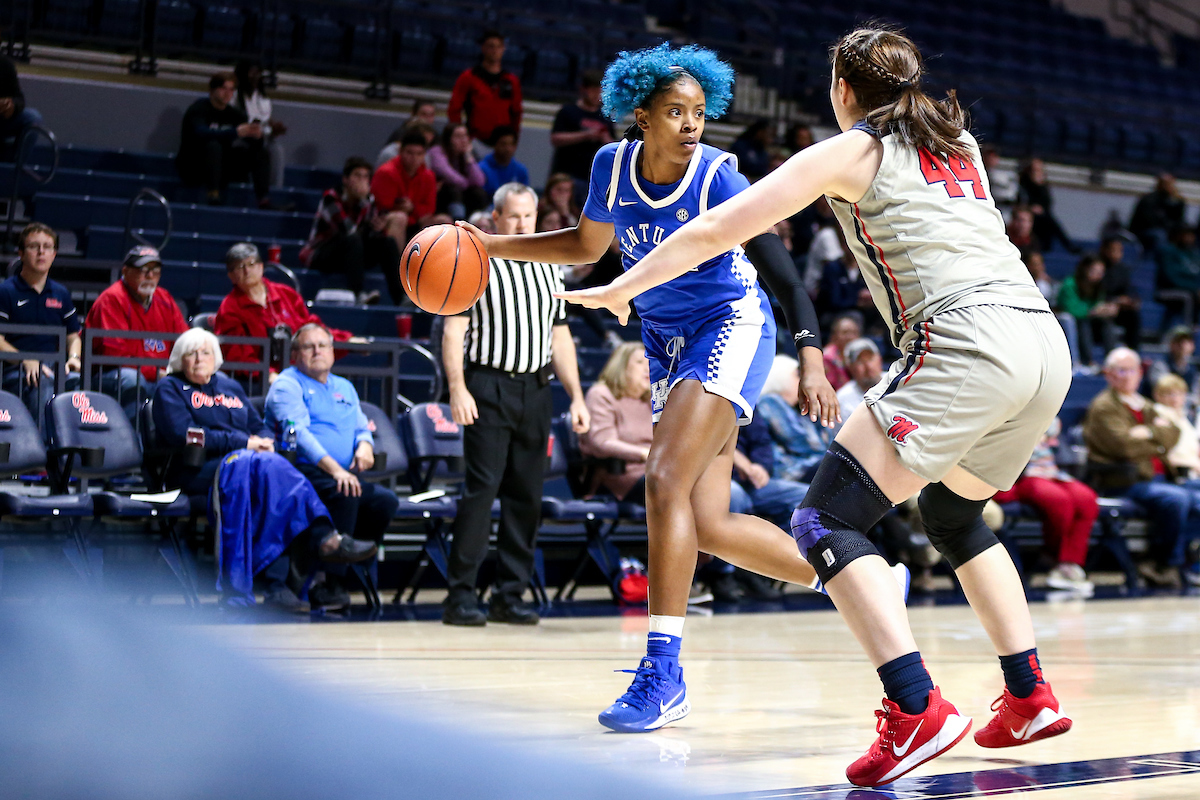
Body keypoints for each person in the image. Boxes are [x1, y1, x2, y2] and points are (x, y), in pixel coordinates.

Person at [559, 26, 1077, 785]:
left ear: (842, 91)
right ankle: (1028, 693)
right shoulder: (955, 139)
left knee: (822, 520)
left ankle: (915, 711)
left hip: (967, 341)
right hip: (1043, 342)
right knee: (954, 515)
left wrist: (619, 288)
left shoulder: (849, 150)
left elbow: (713, 230)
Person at [461, 42, 839, 733]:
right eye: (676, 111)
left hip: (731, 326)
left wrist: (811, 357)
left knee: (662, 481)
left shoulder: (720, 176)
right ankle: (858, 578)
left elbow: (784, 277)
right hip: (664, 345)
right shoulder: (610, 166)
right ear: (640, 115)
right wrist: (488, 246)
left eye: (699, 111)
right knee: (712, 525)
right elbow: (584, 248)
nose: (692, 123)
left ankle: (662, 672)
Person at [440, 183, 591, 628]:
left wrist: (577, 396)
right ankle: (460, 596)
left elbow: (560, 336)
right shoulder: (476, 261)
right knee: (480, 493)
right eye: (514, 217)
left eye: (529, 216)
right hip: (487, 385)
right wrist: (457, 388)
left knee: (526, 497)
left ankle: (510, 594)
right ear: (496, 218)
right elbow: (454, 331)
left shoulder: (550, 266)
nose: (523, 224)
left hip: (536, 390)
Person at [153, 329, 376, 611]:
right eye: (191, 353)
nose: (199, 358)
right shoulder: (170, 388)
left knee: (272, 477)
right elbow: (185, 435)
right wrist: (243, 442)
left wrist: (265, 441)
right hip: (195, 470)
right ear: (179, 359)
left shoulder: (229, 387)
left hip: (246, 468)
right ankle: (323, 540)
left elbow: (256, 425)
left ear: (216, 358)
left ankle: (279, 585)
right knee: (262, 467)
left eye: (206, 352)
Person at [264, 323, 400, 611]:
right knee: (345, 490)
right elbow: (298, 435)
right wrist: (335, 470)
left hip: (339, 474)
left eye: (323, 345)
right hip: (298, 471)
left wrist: (365, 445)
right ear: (296, 354)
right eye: (308, 346)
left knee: (385, 502)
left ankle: (340, 566)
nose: (317, 351)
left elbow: (362, 427)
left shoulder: (345, 387)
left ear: (333, 351)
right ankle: (334, 584)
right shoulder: (287, 385)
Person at [1083, 348, 1192, 589]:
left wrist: (1149, 433)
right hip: (1125, 483)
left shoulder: (1144, 405)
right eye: (1121, 370)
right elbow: (1124, 447)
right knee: (1177, 499)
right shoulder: (1104, 407)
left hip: (1161, 478)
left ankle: (1187, 562)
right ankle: (1163, 564)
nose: (1128, 375)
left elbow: (1174, 432)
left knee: (1192, 496)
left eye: (1133, 370)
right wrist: (1158, 440)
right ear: (1109, 374)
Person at [214, 243, 355, 383]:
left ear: (261, 267)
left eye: (251, 264)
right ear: (231, 276)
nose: (247, 271)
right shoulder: (229, 308)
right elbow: (237, 356)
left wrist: (347, 341)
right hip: (258, 381)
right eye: (240, 267)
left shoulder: (286, 294)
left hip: (300, 372)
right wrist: (268, 375)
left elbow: (311, 329)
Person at [992, 418, 1098, 596]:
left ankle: (1070, 563)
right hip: (1024, 477)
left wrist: (1041, 429)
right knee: (1058, 501)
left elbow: (1054, 425)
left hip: (1053, 472)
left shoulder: (1041, 405)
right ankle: (1056, 558)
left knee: (1086, 499)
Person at [83, 245, 188, 419]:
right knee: (132, 379)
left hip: (159, 374)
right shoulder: (112, 299)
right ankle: (133, 442)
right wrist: (156, 373)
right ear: (125, 271)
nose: (150, 276)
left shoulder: (164, 298)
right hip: (108, 374)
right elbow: (114, 356)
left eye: (155, 271)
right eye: (143, 270)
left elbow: (185, 341)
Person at [0, 223, 81, 423]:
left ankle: (74, 450)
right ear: (21, 253)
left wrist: (74, 358)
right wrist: (24, 359)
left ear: (54, 254)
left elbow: (73, 336)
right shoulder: (6, 291)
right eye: (34, 246)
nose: (41, 252)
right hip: (13, 369)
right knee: (41, 382)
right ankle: (43, 452)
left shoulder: (61, 293)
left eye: (47, 247)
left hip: (53, 367)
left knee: (78, 382)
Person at [299, 156, 403, 305]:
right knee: (353, 239)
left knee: (387, 242)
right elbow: (347, 230)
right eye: (357, 176)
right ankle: (358, 294)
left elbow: (369, 237)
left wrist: (378, 229)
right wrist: (364, 203)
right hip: (323, 254)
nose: (361, 180)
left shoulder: (368, 200)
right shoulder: (331, 198)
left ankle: (401, 298)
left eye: (365, 177)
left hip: (351, 254)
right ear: (345, 180)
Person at [176, 72, 270, 208]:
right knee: (213, 145)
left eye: (231, 90)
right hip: (195, 164)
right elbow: (201, 133)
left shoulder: (235, 114)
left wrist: (257, 136)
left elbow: (250, 141)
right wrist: (234, 132)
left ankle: (263, 200)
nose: (228, 93)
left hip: (224, 167)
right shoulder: (198, 109)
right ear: (212, 90)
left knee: (261, 152)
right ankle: (213, 194)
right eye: (223, 89)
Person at [580, 342, 653, 504]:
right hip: (617, 475)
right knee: (672, 484)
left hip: (654, 470)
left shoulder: (650, 400)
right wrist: (643, 453)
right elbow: (602, 442)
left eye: (650, 361)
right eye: (640, 363)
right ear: (621, 367)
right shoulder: (602, 394)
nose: (648, 368)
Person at [755, 355, 834, 483]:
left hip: (809, 466)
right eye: (797, 376)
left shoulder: (797, 409)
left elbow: (828, 443)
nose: (804, 382)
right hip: (790, 469)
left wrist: (819, 414)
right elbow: (799, 442)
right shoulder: (770, 401)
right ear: (781, 377)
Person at [447, 30, 522, 145]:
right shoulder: (469, 77)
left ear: (503, 49)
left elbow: (516, 112)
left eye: (499, 46)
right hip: (475, 139)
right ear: (483, 48)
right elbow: (454, 108)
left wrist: (513, 139)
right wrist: (461, 136)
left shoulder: (511, 80)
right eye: (491, 46)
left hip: (502, 143)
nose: (495, 50)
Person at [550, 69, 614, 200]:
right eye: (594, 90)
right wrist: (585, 135)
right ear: (584, 89)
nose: (598, 95)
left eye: (601, 91)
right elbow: (556, 138)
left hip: (593, 178)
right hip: (567, 175)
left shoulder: (604, 117)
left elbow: (612, 146)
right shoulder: (568, 111)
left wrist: (604, 138)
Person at [370, 130, 440, 241]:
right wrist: (404, 209)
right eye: (410, 153)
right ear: (400, 152)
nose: (414, 158)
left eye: (419, 154)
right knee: (400, 218)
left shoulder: (428, 176)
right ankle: (397, 258)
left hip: (415, 220)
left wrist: (412, 208)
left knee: (442, 220)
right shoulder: (386, 172)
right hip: (387, 222)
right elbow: (381, 206)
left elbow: (430, 208)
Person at [233, 60, 288, 188]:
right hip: (240, 138)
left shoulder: (264, 100)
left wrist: (273, 131)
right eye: (252, 73)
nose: (255, 77)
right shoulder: (234, 97)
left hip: (260, 139)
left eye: (258, 73)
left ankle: (274, 190)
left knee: (276, 150)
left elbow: (265, 127)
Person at [1057, 253, 1118, 367]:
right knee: (1083, 324)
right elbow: (1071, 309)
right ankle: (1087, 362)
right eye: (1095, 271)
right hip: (1071, 323)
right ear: (1085, 269)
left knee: (1107, 325)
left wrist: (1106, 309)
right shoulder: (1070, 284)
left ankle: (1111, 361)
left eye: (1101, 272)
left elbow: (1098, 304)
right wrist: (1092, 311)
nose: (1099, 275)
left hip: (1090, 321)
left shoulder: (1099, 287)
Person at [428, 122, 487, 220]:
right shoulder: (437, 152)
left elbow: (479, 181)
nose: (463, 141)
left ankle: (479, 224)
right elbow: (451, 177)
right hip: (440, 196)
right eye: (458, 136)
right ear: (448, 139)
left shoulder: (467, 154)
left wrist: (468, 157)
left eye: (465, 136)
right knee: (454, 190)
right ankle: (458, 222)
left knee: (478, 193)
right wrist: (467, 182)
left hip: (461, 194)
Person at [1018, 157, 1076, 253]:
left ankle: (1059, 245)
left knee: (1049, 220)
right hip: (1029, 213)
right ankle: (1068, 245)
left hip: (1043, 214)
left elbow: (1048, 202)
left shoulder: (1043, 184)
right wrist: (1031, 207)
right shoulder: (1024, 182)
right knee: (1050, 221)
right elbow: (1022, 199)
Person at [1098, 235, 1140, 349]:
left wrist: (1130, 301)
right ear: (1104, 250)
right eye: (1113, 250)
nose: (1117, 254)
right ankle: (1110, 357)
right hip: (1098, 308)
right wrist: (1114, 301)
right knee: (1106, 320)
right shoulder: (1097, 267)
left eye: (1120, 250)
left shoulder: (1122, 269)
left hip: (1118, 309)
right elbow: (1094, 293)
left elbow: (1128, 290)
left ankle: (1133, 352)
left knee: (1133, 315)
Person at [0, 51, 42, 162]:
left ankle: (14, 167)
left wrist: (12, 106)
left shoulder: (5, 64)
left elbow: (19, 98)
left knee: (33, 118)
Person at [1130, 173, 1186, 253]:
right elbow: (1149, 221)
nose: (1169, 187)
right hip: (1144, 230)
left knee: (1186, 236)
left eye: (1171, 184)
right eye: (1166, 184)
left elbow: (1179, 220)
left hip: (1167, 230)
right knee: (1159, 235)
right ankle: (1161, 260)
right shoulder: (1148, 200)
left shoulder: (1177, 201)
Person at [1144, 326, 1198, 408]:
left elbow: (1195, 396)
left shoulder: (1192, 370)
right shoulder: (1160, 365)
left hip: (1181, 410)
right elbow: (1165, 393)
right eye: (1179, 342)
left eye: (1187, 342)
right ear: (1171, 344)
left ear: (1193, 346)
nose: (1183, 345)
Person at [835, 337, 882, 422]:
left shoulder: (898, 382)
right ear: (850, 367)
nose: (868, 366)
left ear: (879, 359)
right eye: (860, 362)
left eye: (870, 359)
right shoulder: (843, 398)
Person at [478, 126, 529, 198]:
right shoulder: (482, 169)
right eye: (503, 144)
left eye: (511, 144)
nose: (508, 149)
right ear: (495, 145)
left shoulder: (521, 170)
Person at [822, 312, 862, 390]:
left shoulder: (861, 353)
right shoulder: (827, 357)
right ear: (834, 336)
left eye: (854, 332)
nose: (850, 337)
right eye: (845, 332)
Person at [980, 144, 1017, 216]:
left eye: (994, 156)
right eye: (988, 156)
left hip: (1006, 208)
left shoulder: (1007, 174)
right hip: (986, 207)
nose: (991, 159)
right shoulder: (978, 173)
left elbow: (1013, 194)